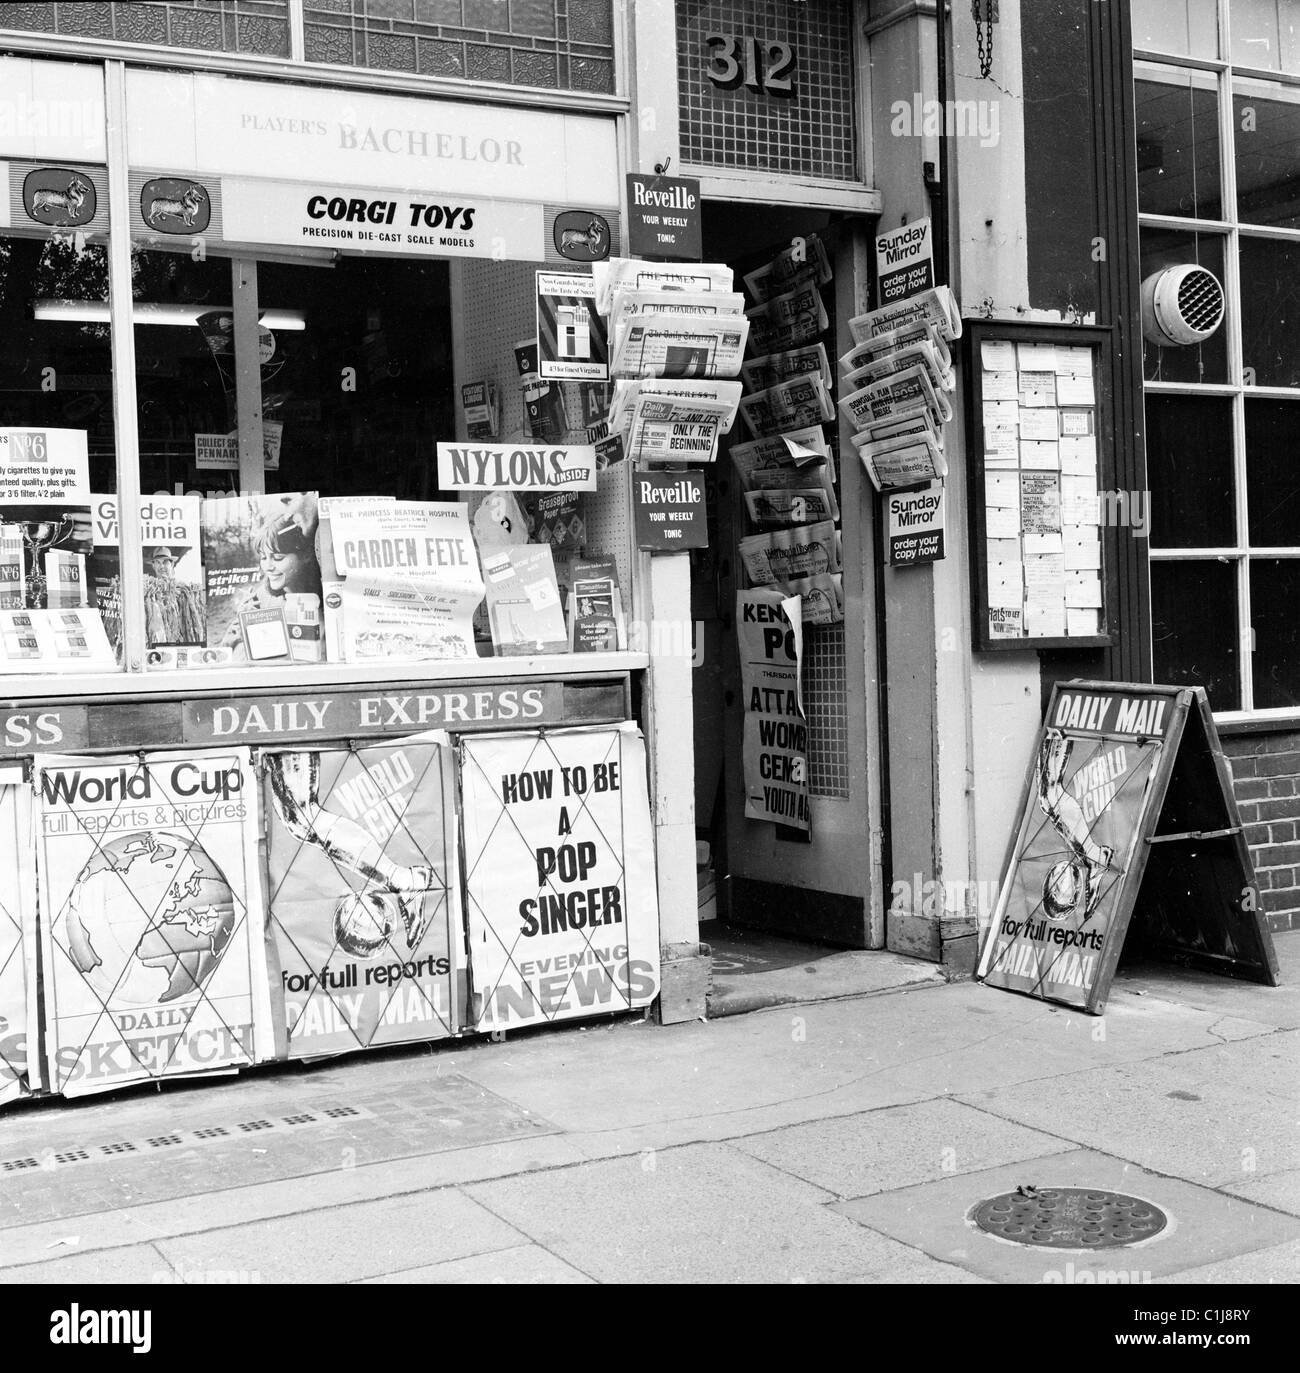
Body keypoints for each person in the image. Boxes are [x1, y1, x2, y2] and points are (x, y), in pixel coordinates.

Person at [221, 508, 320, 658]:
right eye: (263, 557)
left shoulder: (321, 600)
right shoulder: (259, 597)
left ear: (305, 555)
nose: (268, 566)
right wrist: (233, 638)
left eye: (278, 558)